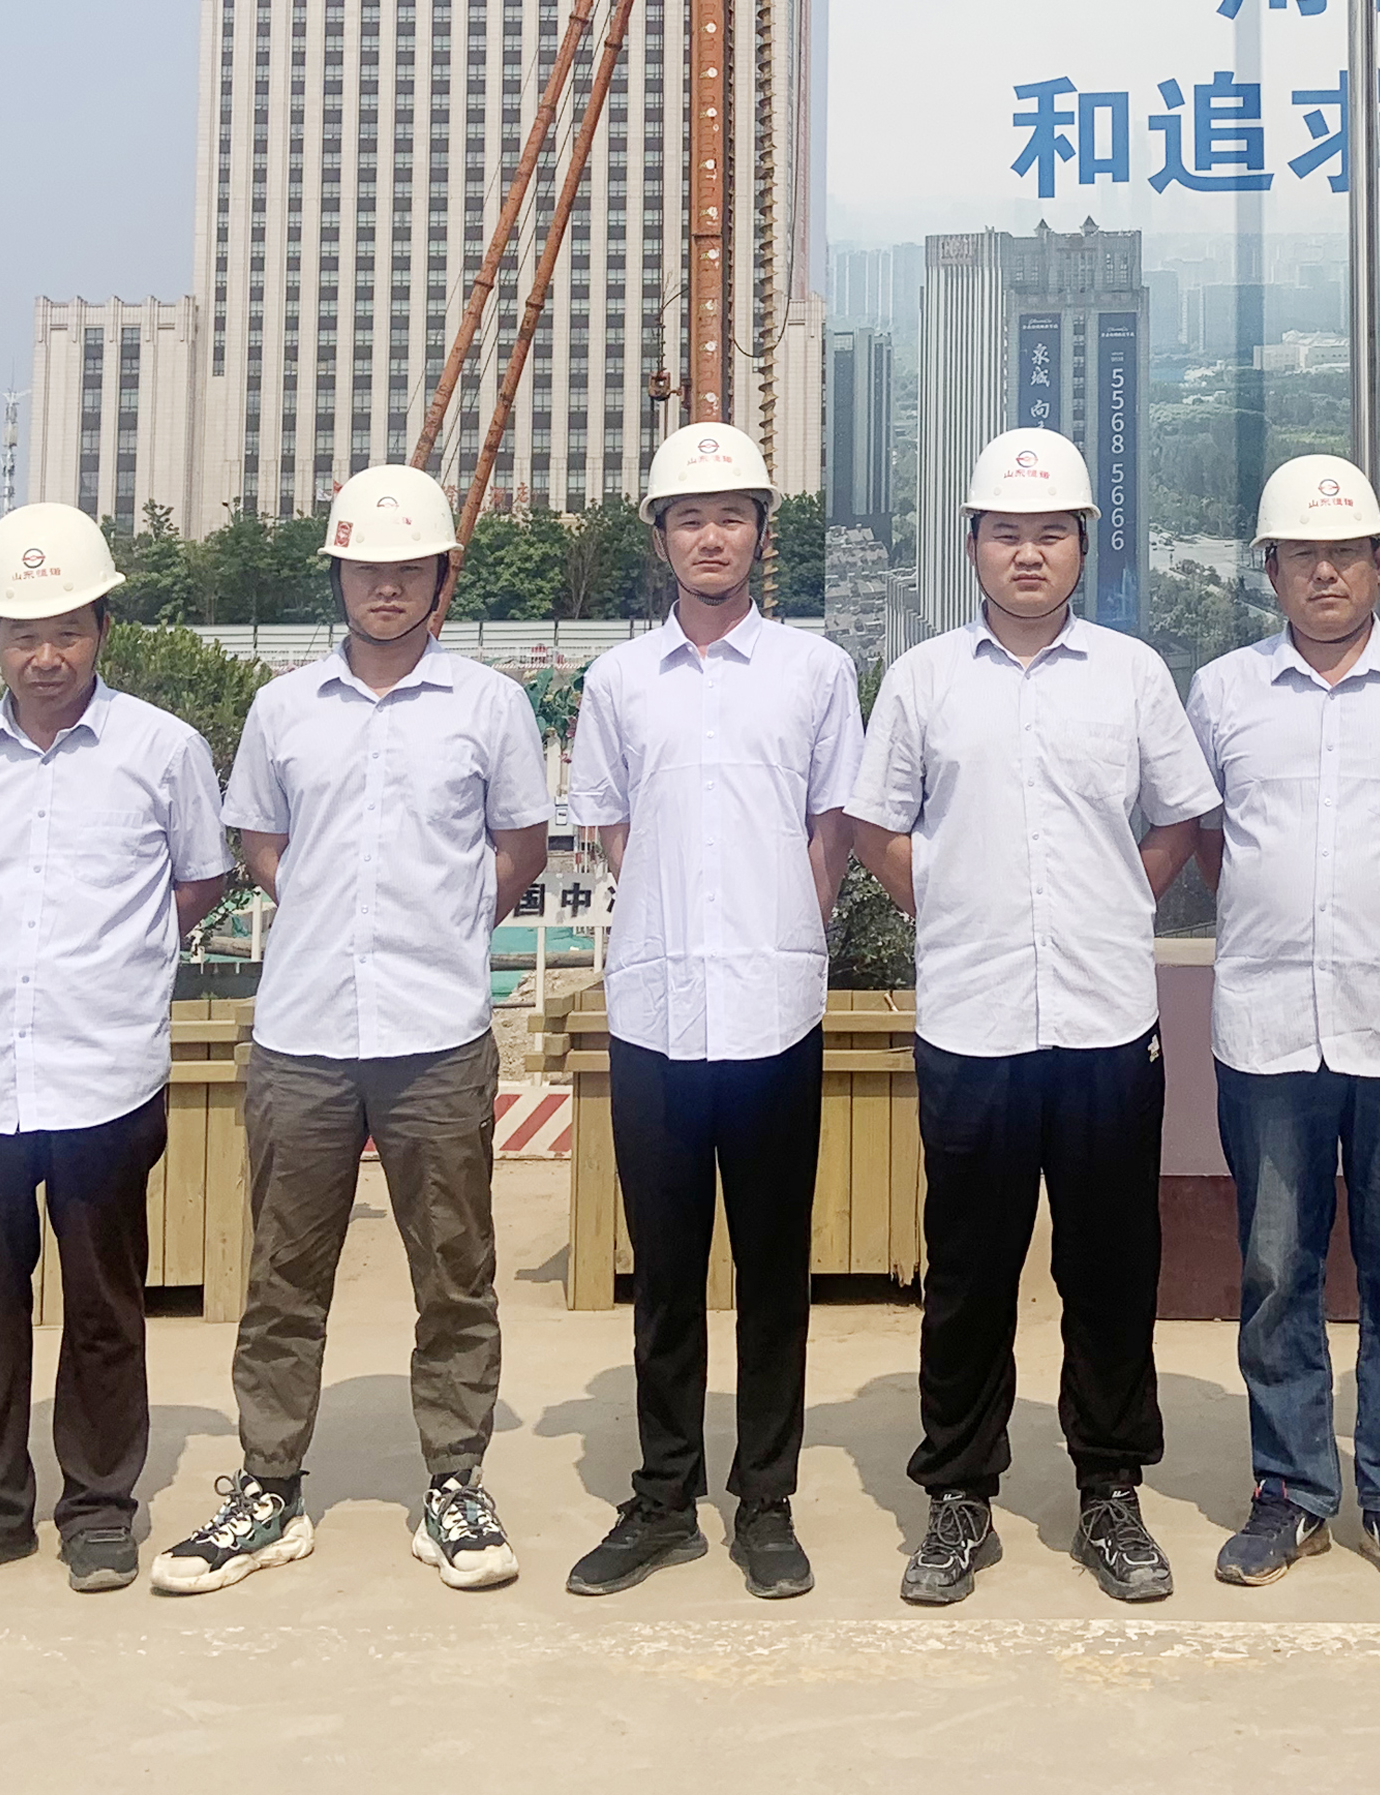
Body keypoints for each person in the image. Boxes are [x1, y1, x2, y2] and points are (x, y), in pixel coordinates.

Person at [152, 466, 551, 1596]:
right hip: (304, 1031)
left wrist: (439, 923)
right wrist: (336, 911)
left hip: (436, 1032)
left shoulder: (490, 705)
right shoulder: (284, 709)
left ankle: (455, 1482)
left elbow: (518, 850)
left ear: (439, 578)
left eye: (408, 568)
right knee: (284, 1274)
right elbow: (261, 845)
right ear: (337, 574)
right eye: (366, 568)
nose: (386, 585)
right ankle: (268, 1486)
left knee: (456, 1272)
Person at [849, 428, 1219, 1607]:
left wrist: (1114, 901)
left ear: (1083, 546)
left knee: (1111, 1267)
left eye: (1050, 532)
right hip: (974, 1023)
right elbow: (878, 831)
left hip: (1106, 1022)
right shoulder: (922, 680)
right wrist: (959, 908)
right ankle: (959, 1493)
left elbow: (1176, 820)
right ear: (971, 544)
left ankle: (1109, 1488)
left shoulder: (1131, 674)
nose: (1027, 553)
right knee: (969, 1270)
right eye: (1005, 533)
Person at [1186, 455, 1380, 1597]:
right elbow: (1212, 844)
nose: (1325, 573)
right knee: (1275, 1270)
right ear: (1269, 569)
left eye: (1345, 553)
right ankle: (1289, 1491)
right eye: (1301, 556)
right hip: (1267, 1025)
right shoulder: (1222, 693)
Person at [563, 425, 862, 1601]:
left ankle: (766, 1500)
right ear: (661, 539)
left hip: (774, 1009)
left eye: (731, 516)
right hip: (656, 1010)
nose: (710, 536)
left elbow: (830, 827)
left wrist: (782, 925)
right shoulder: (618, 682)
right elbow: (611, 825)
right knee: (667, 1271)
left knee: (775, 1270)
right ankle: (663, 1497)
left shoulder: (814, 671)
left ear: (760, 534)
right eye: (688, 518)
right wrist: (675, 920)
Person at [0, 505, 229, 1596]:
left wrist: (109, 969)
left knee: (105, 1305)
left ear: (104, 627)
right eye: (23, 633)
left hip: (103, 1071)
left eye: (66, 629)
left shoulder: (163, 750)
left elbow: (198, 883)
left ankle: (99, 1508)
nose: (45, 655)